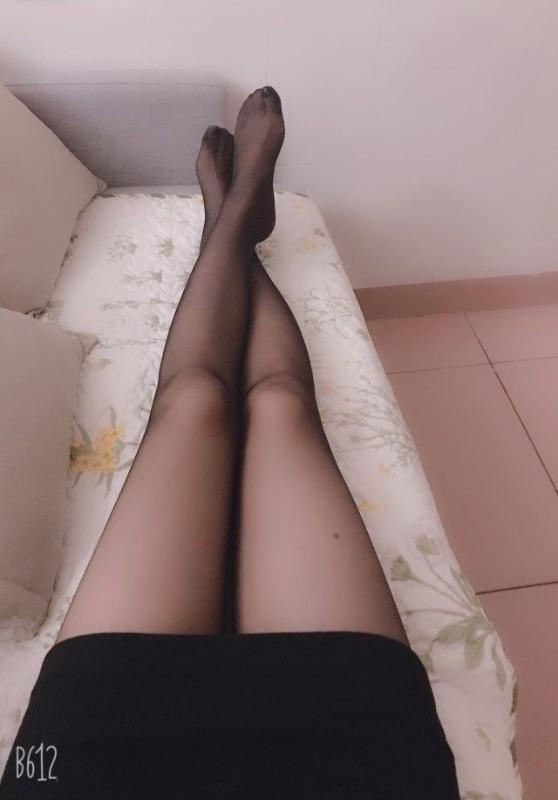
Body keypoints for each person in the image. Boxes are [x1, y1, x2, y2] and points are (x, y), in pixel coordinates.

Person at [0, 86, 460, 799]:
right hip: (355, 748)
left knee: (194, 402)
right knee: (278, 406)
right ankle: (236, 220)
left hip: (88, 753)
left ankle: (231, 218)